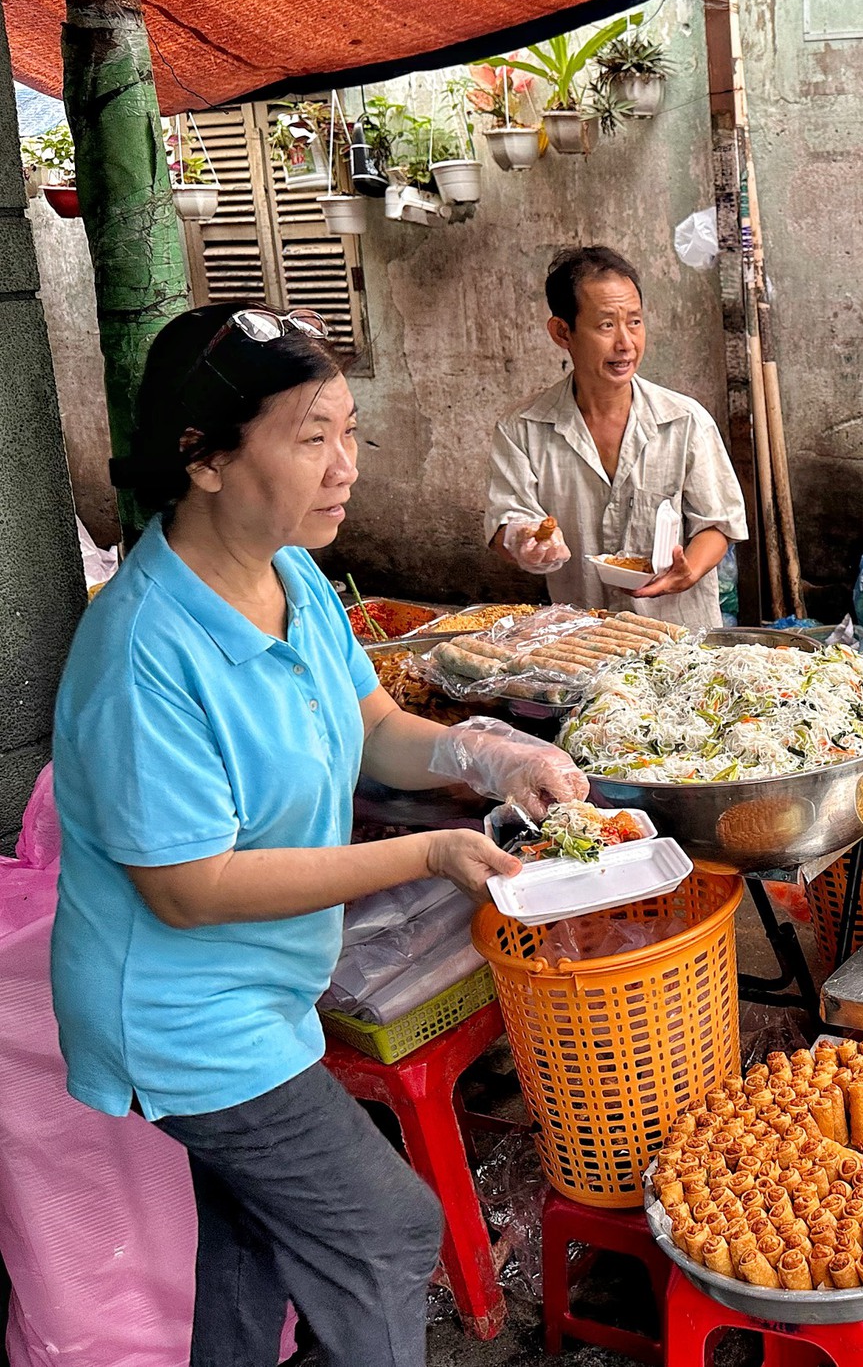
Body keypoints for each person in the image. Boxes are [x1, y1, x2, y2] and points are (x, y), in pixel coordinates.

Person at [53, 303, 589, 1366]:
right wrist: (431, 852)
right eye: (311, 437)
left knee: (254, 1243)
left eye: (351, 431)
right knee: (386, 1231)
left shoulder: (291, 573)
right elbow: (189, 887)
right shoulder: (142, 651)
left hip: (265, 990)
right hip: (183, 1017)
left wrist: (488, 755)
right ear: (203, 459)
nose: (344, 466)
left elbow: (373, 728)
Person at [487, 246, 748, 629]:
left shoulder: (685, 421)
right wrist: (524, 542)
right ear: (563, 332)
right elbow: (505, 522)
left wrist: (688, 571)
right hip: (583, 641)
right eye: (606, 325)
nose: (626, 343)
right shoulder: (522, 429)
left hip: (679, 638)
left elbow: (719, 524)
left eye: (635, 322)